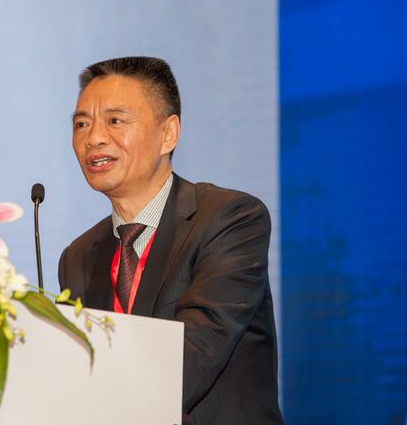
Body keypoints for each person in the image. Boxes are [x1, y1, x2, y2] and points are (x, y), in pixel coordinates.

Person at [58, 57, 283, 424]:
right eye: (81, 123)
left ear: (168, 134)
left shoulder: (230, 219)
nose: (93, 138)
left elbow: (192, 357)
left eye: (115, 121)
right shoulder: (78, 256)